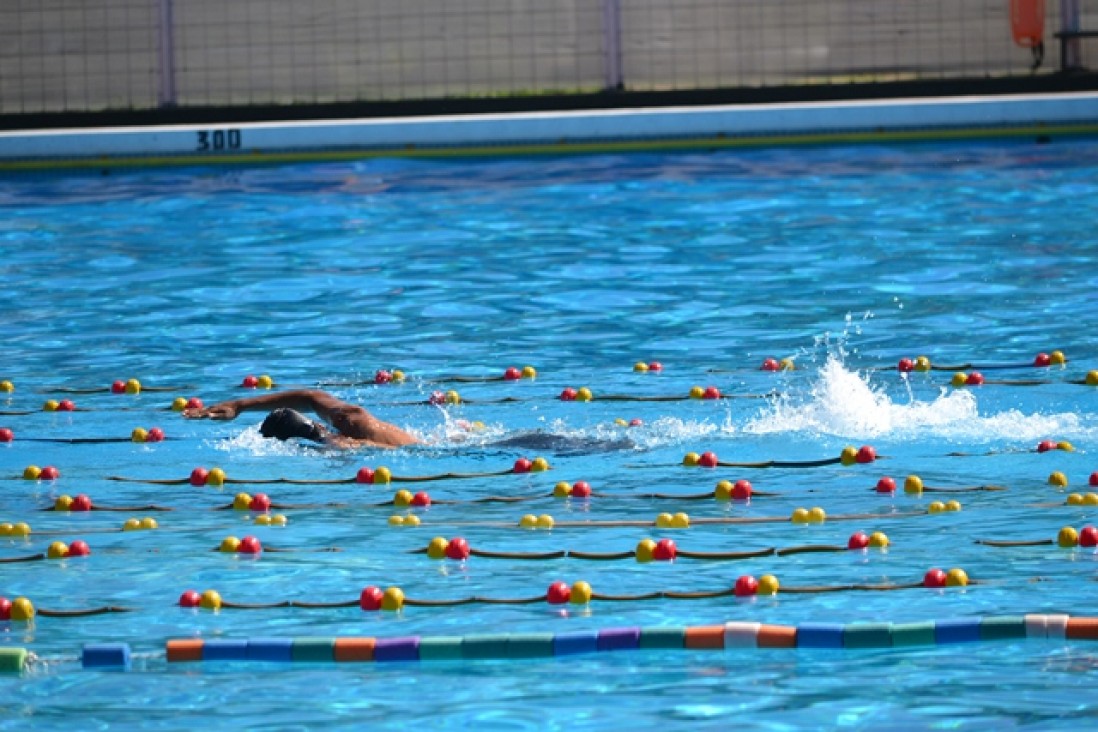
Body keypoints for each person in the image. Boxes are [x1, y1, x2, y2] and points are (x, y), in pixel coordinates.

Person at [183, 389, 419, 449]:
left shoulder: (349, 422)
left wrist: (239, 405)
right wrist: (239, 405)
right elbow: (310, 397)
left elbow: (309, 397)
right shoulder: (345, 423)